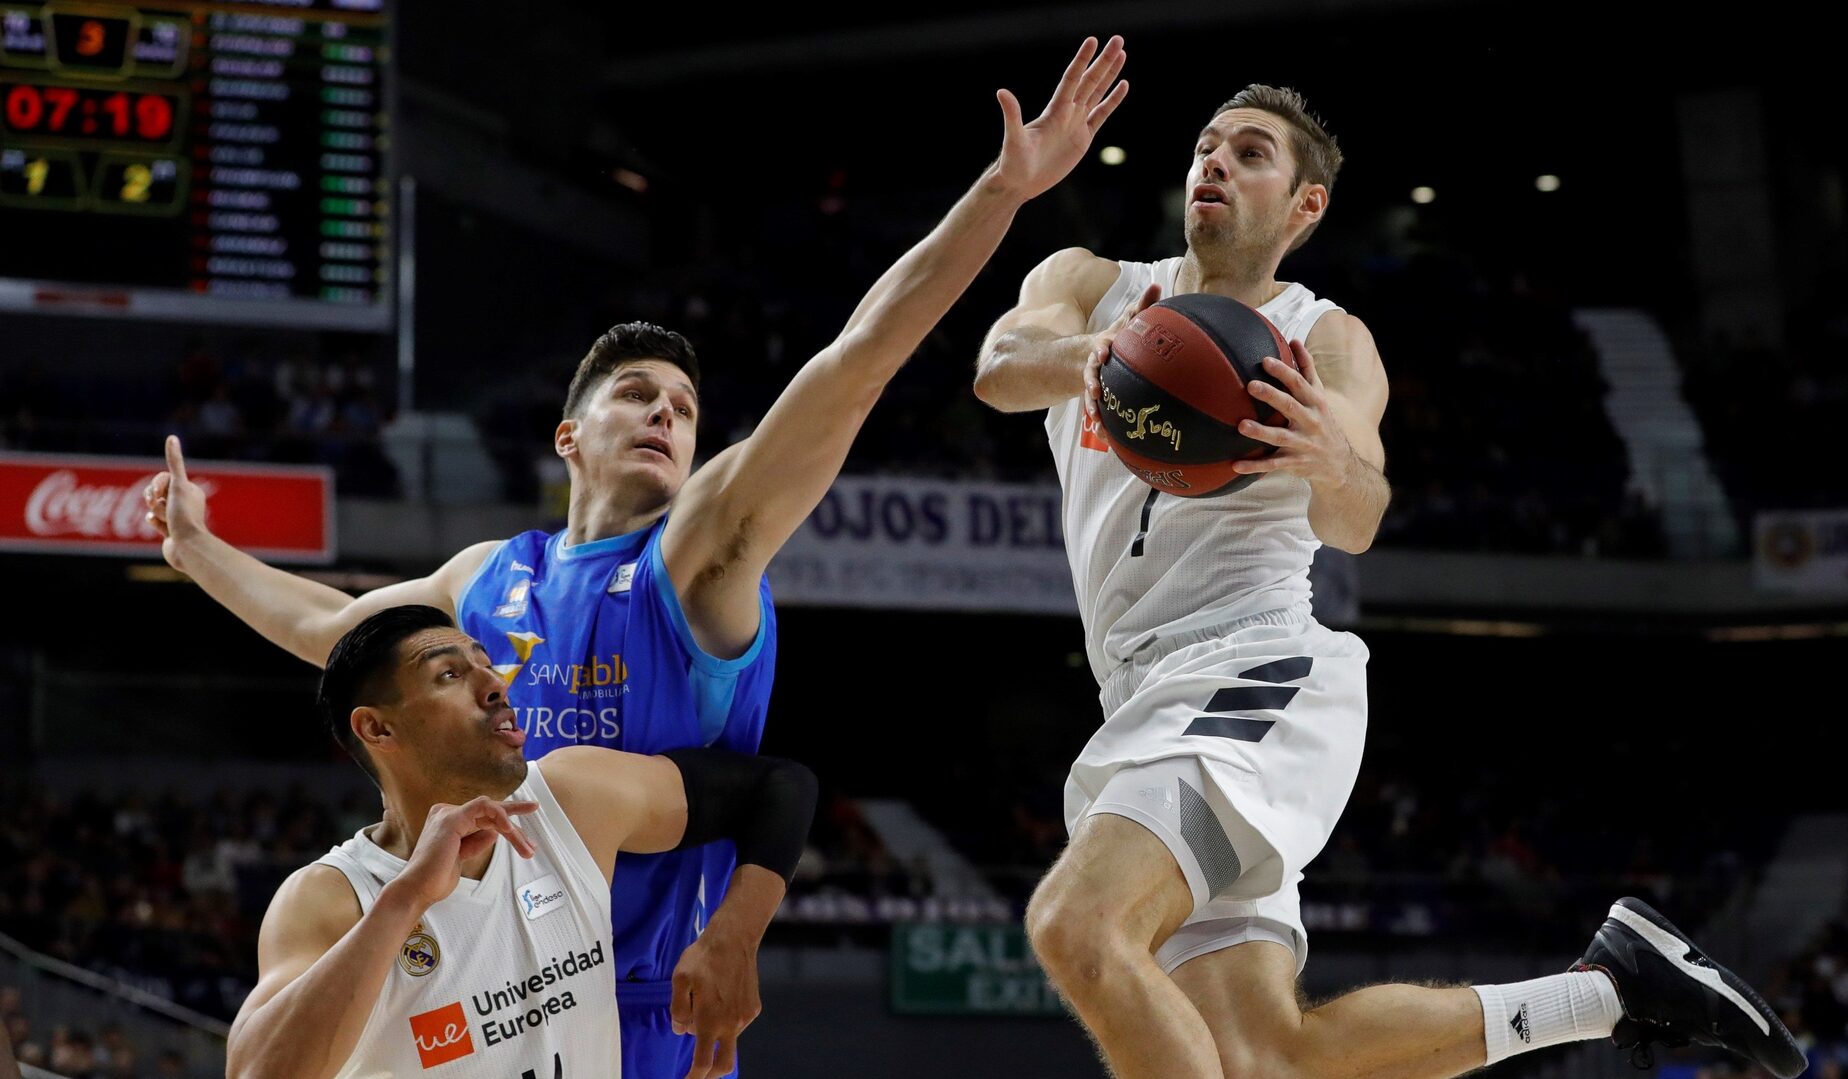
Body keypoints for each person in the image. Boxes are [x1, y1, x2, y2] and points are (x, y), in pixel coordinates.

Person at [145, 36, 1129, 1077]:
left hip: (656, 1007)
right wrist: (197, 548)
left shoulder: (696, 553)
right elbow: (325, 627)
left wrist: (1002, 192)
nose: (666, 412)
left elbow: (854, 366)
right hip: (494, 991)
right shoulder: (485, 576)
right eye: (637, 395)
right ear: (569, 436)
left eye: (685, 407)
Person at [974, 84, 1805, 1079]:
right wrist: (1092, 356)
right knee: (1268, 1057)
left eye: (1251, 152)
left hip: (1252, 675)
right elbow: (999, 365)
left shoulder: (1323, 340)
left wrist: (1326, 456)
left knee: (1078, 925)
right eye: (1206, 146)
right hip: (1141, 697)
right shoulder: (1092, 283)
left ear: (1305, 206)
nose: (1215, 163)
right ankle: (1611, 990)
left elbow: (1357, 516)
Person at [226, 605, 816, 1079]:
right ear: (377, 728)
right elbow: (256, 1071)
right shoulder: (331, 896)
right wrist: (405, 898)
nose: (494, 684)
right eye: (450, 675)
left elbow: (779, 788)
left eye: (487, 665)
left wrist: (735, 937)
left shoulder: (572, 798)